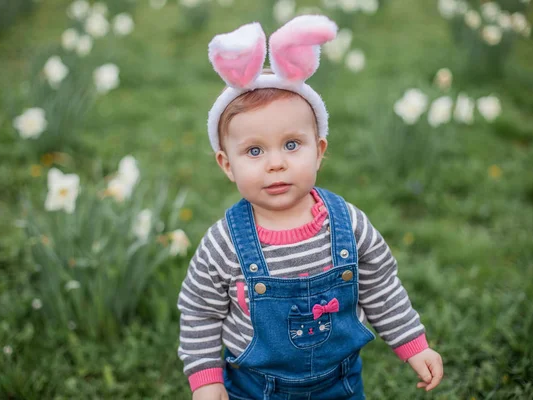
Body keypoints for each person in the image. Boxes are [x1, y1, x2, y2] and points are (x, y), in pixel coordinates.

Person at [177, 15, 443, 400]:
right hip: (255, 387)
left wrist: (413, 345)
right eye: (254, 150)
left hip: (340, 382)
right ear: (227, 165)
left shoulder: (347, 223)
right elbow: (201, 312)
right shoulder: (225, 243)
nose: (276, 163)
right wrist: (207, 380)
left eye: (291, 145)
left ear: (319, 151)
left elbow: (381, 287)